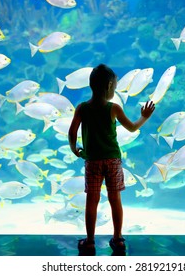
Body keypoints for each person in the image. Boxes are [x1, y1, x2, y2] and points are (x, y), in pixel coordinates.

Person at [68, 64, 155, 254]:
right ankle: (118, 239)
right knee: (115, 199)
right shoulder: (114, 108)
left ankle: (90, 241)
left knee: (92, 200)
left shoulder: (82, 108)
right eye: (115, 87)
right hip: (112, 161)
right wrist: (144, 117)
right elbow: (132, 128)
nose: (115, 90)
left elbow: (72, 131)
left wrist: (74, 148)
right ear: (109, 86)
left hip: (92, 161)